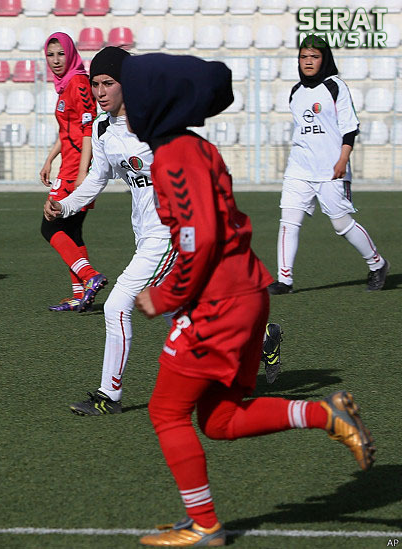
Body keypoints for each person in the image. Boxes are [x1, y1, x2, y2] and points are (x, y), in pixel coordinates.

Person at [122, 53, 374, 546]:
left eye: (133, 98)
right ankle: (326, 414)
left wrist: (168, 294)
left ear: (156, 101)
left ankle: (205, 525)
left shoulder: (176, 154)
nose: (128, 108)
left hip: (220, 302)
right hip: (243, 293)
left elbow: (201, 236)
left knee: (165, 412)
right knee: (219, 420)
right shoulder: (191, 147)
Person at [45, 47, 286, 416]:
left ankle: (108, 395)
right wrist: (65, 206)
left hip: (169, 235)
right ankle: (259, 339)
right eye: (95, 84)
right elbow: (97, 178)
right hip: (145, 234)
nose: (99, 91)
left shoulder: (156, 122)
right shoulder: (102, 128)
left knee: (116, 305)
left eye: (108, 83)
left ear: (129, 85)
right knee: (181, 315)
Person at [270, 35, 388, 294]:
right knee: (288, 220)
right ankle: (285, 280)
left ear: (324, 59)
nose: (308, 62)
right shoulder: (296, 92)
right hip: (299, 167)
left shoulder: (335, 86)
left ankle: (377, 264)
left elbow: (349, 128)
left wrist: (343, 159)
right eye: (304, 57)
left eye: (314, 57)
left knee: (341, 224)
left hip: (331, 168)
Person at [39, 32, 106, 312]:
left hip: (74, 170)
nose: (56, 60)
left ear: (71, 54)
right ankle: (81, 295)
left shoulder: (78, 83)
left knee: (50, 226)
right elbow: (67, 131)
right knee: (73, 232)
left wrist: (82, 173)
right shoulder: (65, 85)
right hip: (66, 166)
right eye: (50, 55)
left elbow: (89, 128)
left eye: (60, 54)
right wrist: (49, 160)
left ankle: (90, 277)